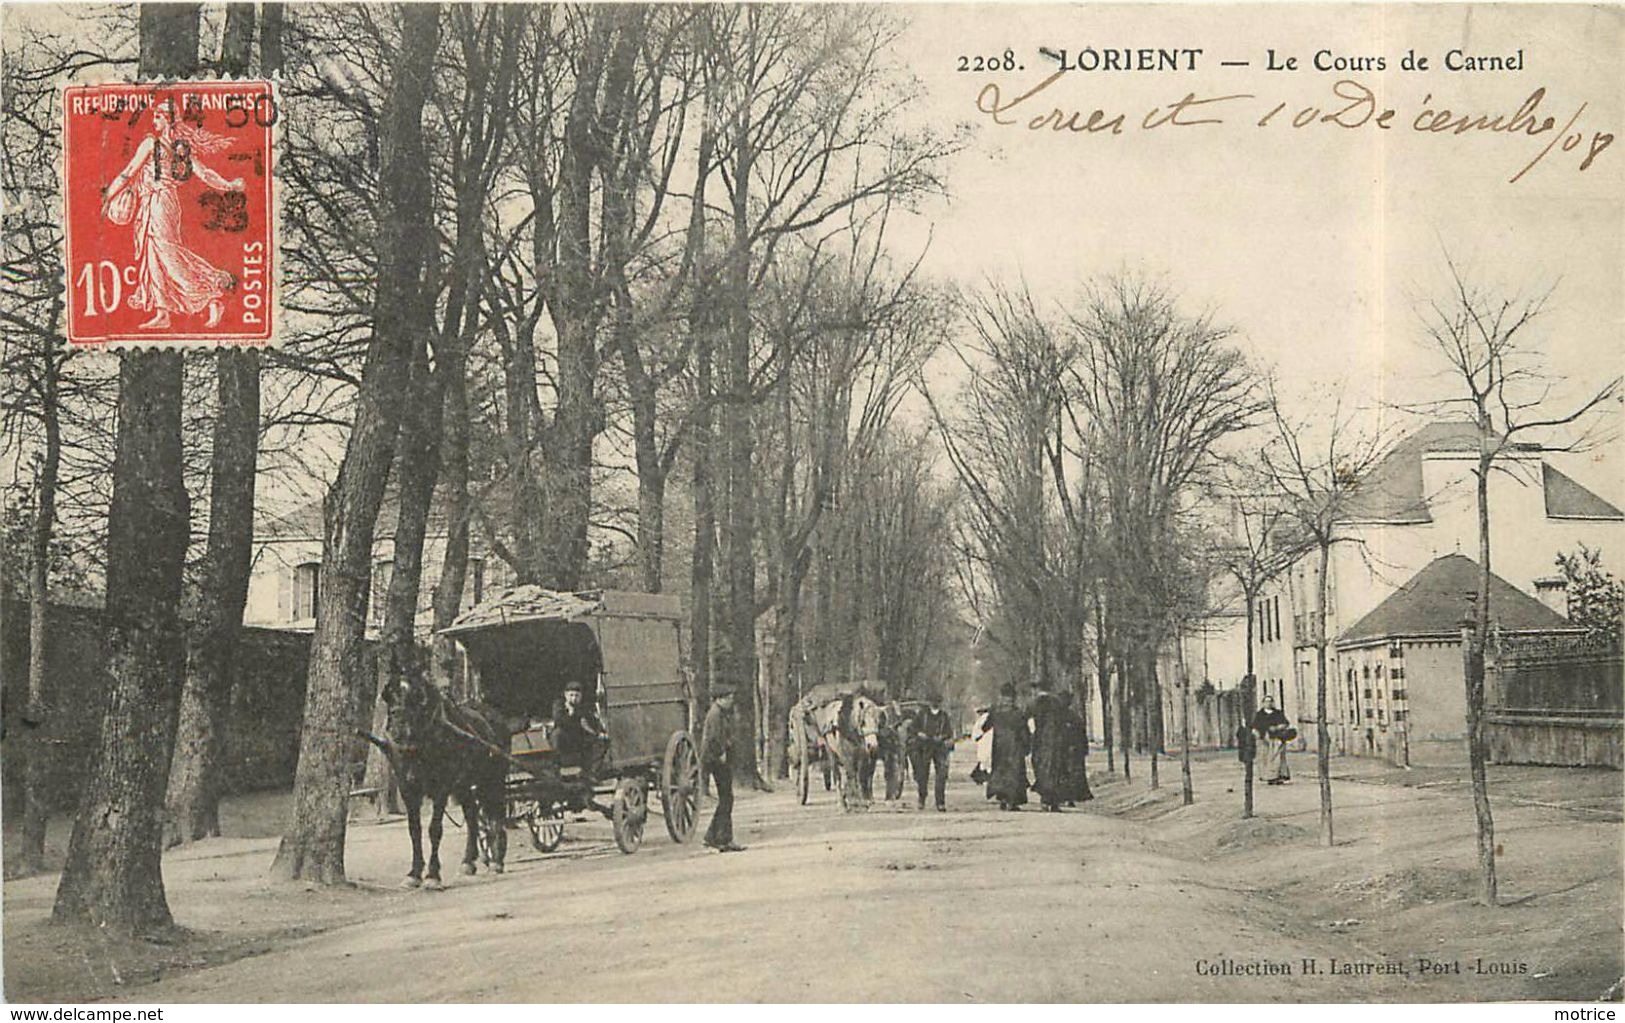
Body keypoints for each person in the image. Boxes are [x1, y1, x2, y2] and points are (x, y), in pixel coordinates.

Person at [101, 99, 243, 330]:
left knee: (167, 254)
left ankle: (211, 294)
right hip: (154, 202)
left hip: (161, 202)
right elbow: (205, 173)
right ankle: (162, 312)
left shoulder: (153, 143)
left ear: (167, 120)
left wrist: (108, 196)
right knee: (153, 255)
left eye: (158, 117)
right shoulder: (178, 147)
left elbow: (128, 173)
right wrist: (229, 185)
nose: (154, 121)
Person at [699, 685, 745, 852]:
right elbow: (714, 737)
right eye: (729, 698)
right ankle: (718, 838)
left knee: (727, 799)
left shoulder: (719, 713)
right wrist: (721, 753)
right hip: (717, 760)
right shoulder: (715, 714)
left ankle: (719, 837)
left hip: (718, 758)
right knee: (726, 798)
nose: (731, 701)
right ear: (720, 699)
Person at [979, 683, 1030, 810]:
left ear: (1001, 695)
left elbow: (985, 727)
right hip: (1015, 746)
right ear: (1013, 697)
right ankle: (1012, 801)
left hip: (999, 746)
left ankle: (1002, 798)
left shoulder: (995, 710)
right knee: (1014, 773)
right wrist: (1027, 745)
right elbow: (1024, 731)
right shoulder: (1018, 712)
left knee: (1000, 771)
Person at [551, 680, 607, 778]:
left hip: (579, 737)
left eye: (577, 696)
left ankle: (590, 773)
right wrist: (571, 713)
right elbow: (559, 721)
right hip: (565, 737)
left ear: (581, 696)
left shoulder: (583, 707)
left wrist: (600, 732)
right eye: (571, 695)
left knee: (601, 743)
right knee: (557, 735)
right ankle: (557, 770)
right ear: (565, 695)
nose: (574, 698)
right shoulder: (559, 705)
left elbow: (592, 721)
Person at [1029, 690, 1068, 812]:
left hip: (1041, 743)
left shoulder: (1034, 705)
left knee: (1042, 771)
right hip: (1056, 744)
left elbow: (1028, 723)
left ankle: (1045, 800)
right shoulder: (1057, 705)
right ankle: (1054, 802)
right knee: (1056, 771)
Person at [1055, 691, 1092, 806]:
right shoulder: (1072, 716)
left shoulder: (1062, 717)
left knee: (1065, 773)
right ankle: (1067, 798)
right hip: (1068, 749)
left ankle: (1067, 797)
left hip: (1066, 749)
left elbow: (1081, 734)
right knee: (1067, 773)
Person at [1253, 694, 1292, 785]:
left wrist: (1278, 727)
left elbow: (1285, 723)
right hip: (1264, 739)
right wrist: (1257, 734)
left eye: (1270, 701)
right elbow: (1254, 726)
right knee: (1265, 758)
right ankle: (1268, 777)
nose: (1268, 703)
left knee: (1277, 757)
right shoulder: (1260, 714)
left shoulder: (1278, 713)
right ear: (1263, 703)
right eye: (1266, 701)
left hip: (1277, 738)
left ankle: (1278, 776)